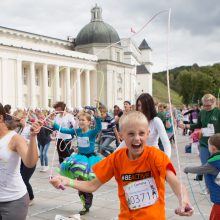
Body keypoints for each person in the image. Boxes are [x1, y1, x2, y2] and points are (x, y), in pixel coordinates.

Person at [50, 111, 193, 219]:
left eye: (141, 133)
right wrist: (66, 180)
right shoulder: (116, 159)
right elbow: (92, 185)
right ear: (122, 135)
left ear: (148, 134)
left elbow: (176, 183)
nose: (137, 138)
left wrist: (184, 201)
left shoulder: (157, 156)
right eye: (131, 134)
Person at [53, 110, 102, 215]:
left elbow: (99, 128)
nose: (81, 122)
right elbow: (64, 130)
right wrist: (54, 125)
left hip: (89, 160)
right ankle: (84, 203)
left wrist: (97, 117)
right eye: (79, 120)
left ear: (89, 122)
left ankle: (87, 201)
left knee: (86, 182)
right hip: (79, 158)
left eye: (83, 120)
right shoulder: (77, 131)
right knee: (79, 182)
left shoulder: (92, 132)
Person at [0, 103, 41, 220]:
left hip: (13, 201)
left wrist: (33, 137)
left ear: (1, 117)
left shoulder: (15, 138)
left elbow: (30, 162)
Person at [180, 94, 220, 190]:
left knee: (216, 166)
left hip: (216, 144)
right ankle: (208, 187)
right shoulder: (202, 112)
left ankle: (216, 186)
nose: (206, 107)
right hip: (204, 143)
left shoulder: (218, 112)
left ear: (214, 103)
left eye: (209, 105)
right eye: (205, 105)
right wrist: (186, 126)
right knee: (205, 166)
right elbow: (198, 124)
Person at [117, 93, 171, 158]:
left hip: (153, 157)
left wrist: (166, 161)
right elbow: (126, 141)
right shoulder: (136, 121)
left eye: (143, 105)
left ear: (149, 106)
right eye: (139, 105)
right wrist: (113, 155)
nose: (140, 108)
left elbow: (166, 143)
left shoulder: (156, 121)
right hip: (138, 158)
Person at [184, 133, 220, 220]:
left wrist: (187, 169)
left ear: (213, 149)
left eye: (208, 145)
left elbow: (199, 169)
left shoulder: (213, 164)